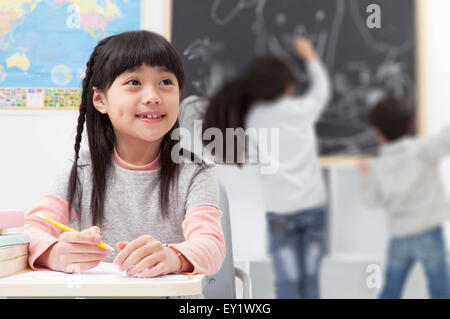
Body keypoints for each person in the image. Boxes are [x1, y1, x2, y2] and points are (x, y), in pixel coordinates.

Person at [19, 30, 226, 279]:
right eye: (134, 83)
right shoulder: (83, 169)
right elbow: (32, 229)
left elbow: (211, 244)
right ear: (100, 100)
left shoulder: (195, 171)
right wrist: (55, 253)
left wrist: (173, 257)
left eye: (166, 82)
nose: (153, 97)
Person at [180, 38, 331, 298]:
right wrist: (311, 59)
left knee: (287, 279)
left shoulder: (252, 119)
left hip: (280, 211)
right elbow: (321, 91)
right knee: (310, 278)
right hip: (312, 207)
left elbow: (243, 153)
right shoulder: (301, 108)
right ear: (288, 87)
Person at [357, 97, 450, 299]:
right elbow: (447, 138)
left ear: (376, 132)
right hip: (429, 233)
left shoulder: (378, 167)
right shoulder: (423, 150)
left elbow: (371, 201)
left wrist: (365, 176)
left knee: (390, 291)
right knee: (440, 291)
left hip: (399, 236)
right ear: (411, 124)